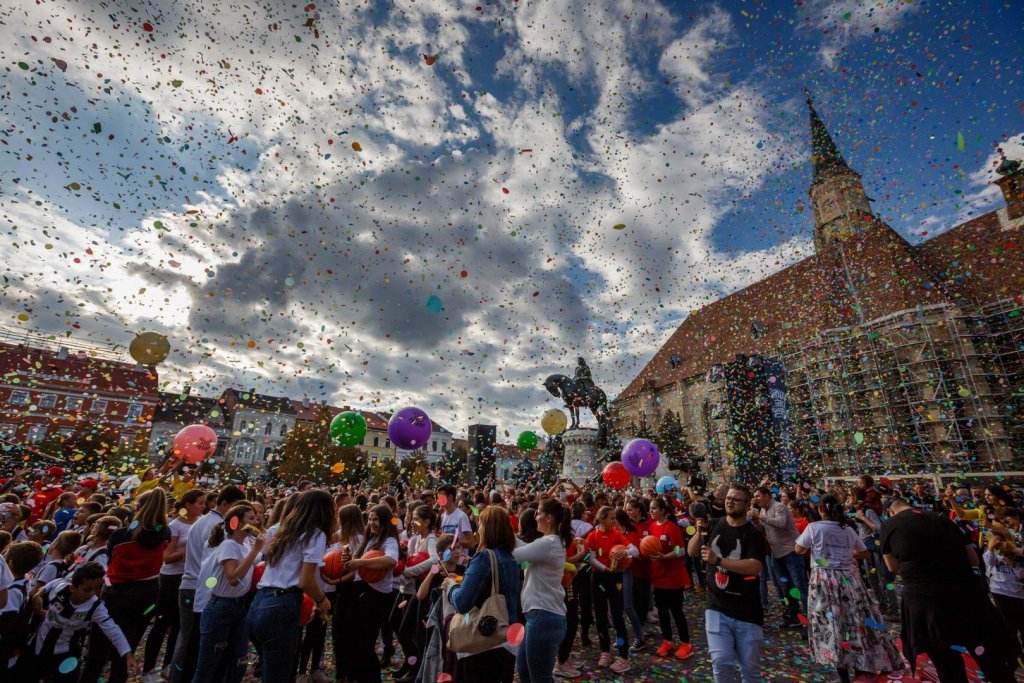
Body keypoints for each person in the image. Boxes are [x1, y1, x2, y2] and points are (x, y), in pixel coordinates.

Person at [881, 496, 1019, 682]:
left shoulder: (889, 525)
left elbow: (892, 567)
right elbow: (973, 560)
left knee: (946, 663)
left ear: (890, 511)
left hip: (927, 603)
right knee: (990, 657)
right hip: (968, 596)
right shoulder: (943, 518)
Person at [795, 495, 901, 682]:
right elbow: (864, 552)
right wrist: (845, 554)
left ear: (820, 510)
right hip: (848, 579)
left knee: (831, 623)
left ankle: (842, 669)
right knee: (855, 619)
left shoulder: (814, 527)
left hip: (824, 579)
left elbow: (799, 549)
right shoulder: (846, 529)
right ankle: (862, 665)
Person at [80, 488, 170, 683]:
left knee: (97, 653)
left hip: (115, 593)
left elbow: (111, 559)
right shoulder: (164, 533)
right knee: (125, 651)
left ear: (137, 508)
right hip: (147, 594)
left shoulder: (120, 535)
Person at [248, 489, 333, 681]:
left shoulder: (280, 529)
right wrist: (322, 600)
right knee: (280, 674)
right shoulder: (315, 534)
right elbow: (306, 580)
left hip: (260, 602)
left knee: (271, 669)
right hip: (282, 604)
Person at [688, 483, 765, 683]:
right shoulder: (714, 524)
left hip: (747, 611)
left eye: (736, 499)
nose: (730, 502)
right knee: (721, 664)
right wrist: (699, 532)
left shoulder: (753, 533)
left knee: (750, 670)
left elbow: (755, 566)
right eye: (728, 498)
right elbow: (691, 552)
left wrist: (719, 561)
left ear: (748, 505)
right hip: (716, 607)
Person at [169, 485, 246, 683]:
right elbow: (217, 564)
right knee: (194, 641)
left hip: (192, 584)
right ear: (225, 504)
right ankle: (182, 677)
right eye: (237, 507)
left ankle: (180, 676)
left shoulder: (203, 521)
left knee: (189, 638)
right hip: (199, 587)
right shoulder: (219, 526)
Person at [16, 562, 136, 682]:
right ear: (72, 588)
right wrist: (38, 594)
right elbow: (53, 583)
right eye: (87, 589)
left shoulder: (96, 607)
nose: (93, 593)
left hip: (63, 654)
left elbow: (112, 629)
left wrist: (127, 653)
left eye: (98, 588)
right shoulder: (60, 589)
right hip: (36, 646)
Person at [446, 505, 520, 683]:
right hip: (506, 637)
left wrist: (450, 586)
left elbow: (463, 601)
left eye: (480, 525)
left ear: (488, 529)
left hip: (484, 642)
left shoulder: (485, 557)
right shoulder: (510, 558)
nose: (477, 529)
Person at [192, 504, 264, 683]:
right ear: (237, 523)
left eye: (256, 518)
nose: (256, 521)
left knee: (238, 662)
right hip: (221, 607)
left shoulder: (245, 544)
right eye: (251, 518)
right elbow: (232, 577)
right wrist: (256, 550)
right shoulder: (229, 545)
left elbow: (263, 558)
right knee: (207, 667)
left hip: (239, 606)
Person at [143, 489, 205, 681]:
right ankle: (148, 668)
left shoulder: (201, 523)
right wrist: (189, 550)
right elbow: (167, 558)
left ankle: (169, 664)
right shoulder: (175, 525)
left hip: (190, 578)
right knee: (162, 624)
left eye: (204, 503)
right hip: (171, 579)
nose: (203, 507)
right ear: (188, 505)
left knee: (179, 626)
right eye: (200, 503)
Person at [513, 499, 569, 683]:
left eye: (538, 513)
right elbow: (525, 551)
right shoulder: (549, 542)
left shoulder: (549, 543)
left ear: (549, 518)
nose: (535, 517)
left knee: (539, 678)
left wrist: (504, 532)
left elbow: (516, 555)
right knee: (525, 672)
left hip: (545, 617)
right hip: (539, 617)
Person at [344, 503, 400, 683]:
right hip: (361, 591)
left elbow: (391, 561)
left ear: (384, 521)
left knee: (365, 643)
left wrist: (360, 563)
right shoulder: (368, 540)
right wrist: (349, 562)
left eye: (375, 519)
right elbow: (360, 565)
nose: (372, 523)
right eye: (369, 519)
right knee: (356, 641)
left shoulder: (389, 541)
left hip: (376, 596)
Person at [584, 505, 635, 673]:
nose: (615, 521)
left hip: (615, 579)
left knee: (617, 617)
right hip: (599, 578)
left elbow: (636, 550)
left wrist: (626, 552)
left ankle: (623, 656)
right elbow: (590, 558)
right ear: (602, 519)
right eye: (612, 518)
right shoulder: (592, 536)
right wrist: (605, 568)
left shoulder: (617, 534)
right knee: (600, 616)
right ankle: (605, 651)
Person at [751, 487, 806, 629]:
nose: (756, 499)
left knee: (800, 586)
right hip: (777, 554)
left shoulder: (779, 506)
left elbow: (780, 523)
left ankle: (809, 623)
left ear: (767, 495)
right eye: (754, 497)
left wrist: (760, 518)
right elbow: (767, 530)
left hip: (791, 552)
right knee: (786, 588)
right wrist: (758, 524)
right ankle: (794, 618)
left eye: (758, 496)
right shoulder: (763, 511)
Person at [647, 495, 693, 661]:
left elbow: (681, 550)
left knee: (677, 611)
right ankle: (667, 641)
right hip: (658, 577)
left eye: (654, 508)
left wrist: (665, 556)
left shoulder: (672, 527)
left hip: (673, 578)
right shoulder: (652, 527)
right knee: (662, 612)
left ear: (663, 511)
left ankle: (686, 643)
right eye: (651, 508)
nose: (651, 511)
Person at [331, 503, 365, 683]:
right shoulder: (342, 537)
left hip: (354, 588)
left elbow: (357, 569)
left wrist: (338, 579)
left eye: (340, 519)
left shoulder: (359, 539)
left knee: (350, 631)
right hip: (342, 587)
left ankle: (351, 672)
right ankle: (341, 671)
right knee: (338, 630)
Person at [438, 484, 476, 571]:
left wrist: (453, 542)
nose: (439, 500)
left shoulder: (461, 516)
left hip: (461, 565)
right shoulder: (442, 516)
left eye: (441, 497)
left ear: (450, 497)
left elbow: (471, 544)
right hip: (447, 565)